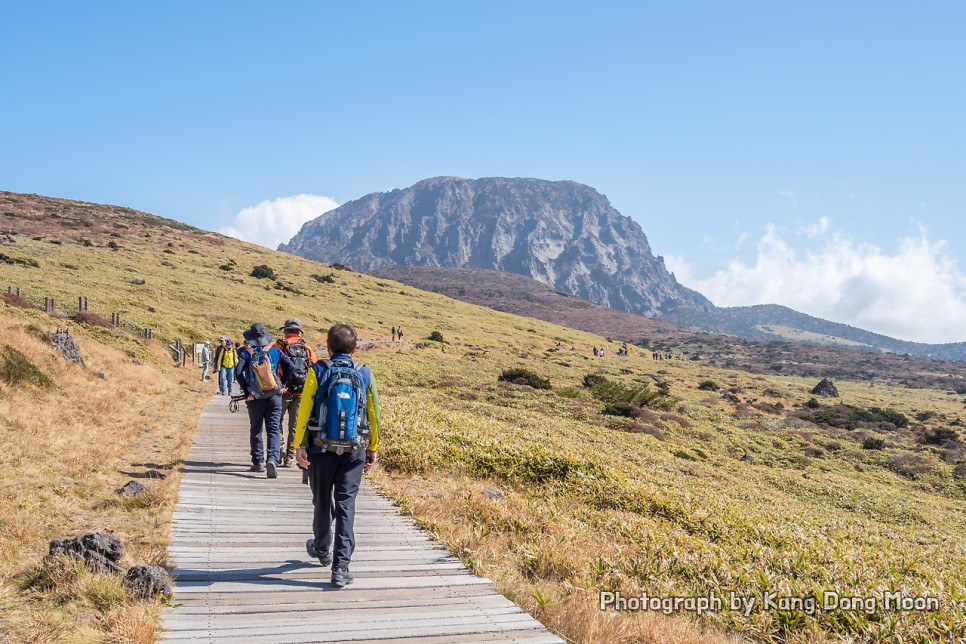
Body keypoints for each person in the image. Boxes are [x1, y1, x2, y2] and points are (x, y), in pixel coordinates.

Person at [295, 324, 380, 587]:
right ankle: (340, 568)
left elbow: (305, 408)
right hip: (354, 449)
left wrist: (300, 445)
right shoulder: (365, 373)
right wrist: (373, 447)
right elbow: (374, 413)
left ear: (328, 347)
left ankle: (321, 548)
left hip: (321, 448)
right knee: (346, 506)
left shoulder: (318, 370)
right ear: (355, 348)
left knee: (321, 501)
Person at [235, 323, 295, 479]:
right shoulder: (274, 352)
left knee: (256, 429)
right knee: (273, 429)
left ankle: (258, 461)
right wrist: (283, 384)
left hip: (255, 397)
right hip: (274, 396)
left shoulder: (247, 353)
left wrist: (247, 390)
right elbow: (291, 367)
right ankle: (273, 460)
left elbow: (238, 372)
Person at [273, 318, 317, 469]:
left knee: (276, 420)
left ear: (285, 330)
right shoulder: (306, 347)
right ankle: (290, 457)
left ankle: (279, 448)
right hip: (301, 392)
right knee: (295, 424)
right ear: (299, 331)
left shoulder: (279, 345)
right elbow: (314, 369)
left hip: (282, 390)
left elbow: (270, 366)